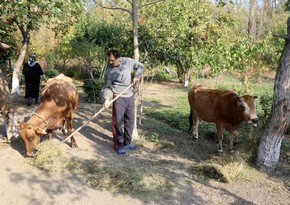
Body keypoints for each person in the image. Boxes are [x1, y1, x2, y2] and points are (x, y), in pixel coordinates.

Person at [102, 49, 144, 155]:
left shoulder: (128, 62)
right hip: (118, 98)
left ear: (118, 59)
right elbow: (106, 87)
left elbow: (140, 66)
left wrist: (136, 76)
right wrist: (107, 99)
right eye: (109, 60)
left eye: (112, 60)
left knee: (130, 121)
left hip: (129, 96)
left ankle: (127, 142)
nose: (110, 62)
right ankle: (119, 146)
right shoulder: (109, 71)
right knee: (118, 123)